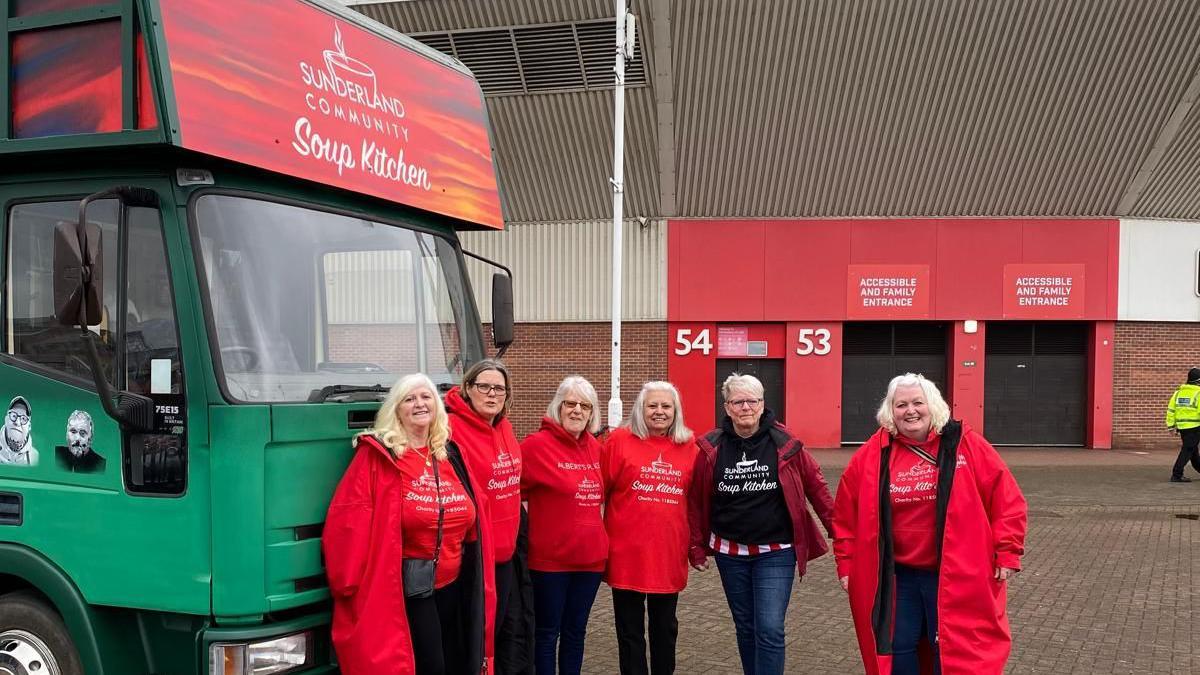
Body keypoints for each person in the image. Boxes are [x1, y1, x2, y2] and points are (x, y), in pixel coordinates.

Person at [833, 373, 1028, 675]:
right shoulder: (871, 455)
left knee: (953, 649)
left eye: (917, 403)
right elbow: (845, 516)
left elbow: (1007, 500)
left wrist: (1007, 551)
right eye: (901, 405)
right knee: (896, 646)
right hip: (897, 575)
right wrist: (846, 565)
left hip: (955, 572)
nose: (910, 411)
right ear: (890, 411)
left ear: (933, 406)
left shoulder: (967, 446)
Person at [323, 373, 496, 674]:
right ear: (397, 409)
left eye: (426, 397)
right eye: (409, 398)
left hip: (455, 583)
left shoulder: (449, 454)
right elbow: (348, 521)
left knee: (458, 661)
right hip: (410, 590)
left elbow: (475, 511)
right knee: (432, 666)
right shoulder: (379, 456)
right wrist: (347, 584)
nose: (419, 404)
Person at [687, 373, 834, 675]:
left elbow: (816, 487)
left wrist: (841, 531)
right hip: (730, 553)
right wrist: (696, 547)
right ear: (726, 407)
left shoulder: (786, 444)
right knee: (745, 626)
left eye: (752, 401)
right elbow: (696, 500)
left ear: (763, 404)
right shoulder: (710, 448)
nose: (745, 407)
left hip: (776, 551)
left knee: (769, 628)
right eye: (738, 401)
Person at [601, 381, 699, 675]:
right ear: (641, 410)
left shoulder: (690, 447)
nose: (659, 412)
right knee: (629, 631)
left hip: (668, 553)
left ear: (676, 411)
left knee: (665, 628)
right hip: (626, 553)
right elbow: (600, 490)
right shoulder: (619, 441)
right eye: (652, 406)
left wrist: (697, 546)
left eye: (666, 406)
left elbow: (696, 502)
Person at [443, 359, 532, 666]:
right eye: (484, 387)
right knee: (474, 641)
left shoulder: (505, 427)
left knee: (501, 637)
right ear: (468, 388)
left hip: (505, 556)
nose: (491, 394)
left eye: (499, 389)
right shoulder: (449, 431)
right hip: (473, 558)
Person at [520, 376, 607, 675]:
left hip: (590, 562)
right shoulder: (534, 446)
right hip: (549, 563)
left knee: (576, 632)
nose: (577, 411)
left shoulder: (597, 449)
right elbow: (511, 493)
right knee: (547, 633)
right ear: (558, 406)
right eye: (570, 403)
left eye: (585, 406)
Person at [1166, 367, 1200, 483]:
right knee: (1187, 450)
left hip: (1183, 428)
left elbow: (1171, 410)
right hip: (1195, 427)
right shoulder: (1198, 393)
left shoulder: (1178, 392)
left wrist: (1171, 426)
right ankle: (1177, 474)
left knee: (1193, 451)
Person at [0, 396, 39, 466]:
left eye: (23, 419)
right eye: (13, 416)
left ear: (29, 426)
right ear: (6, 419)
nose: (17, 422)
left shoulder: (34, 457)